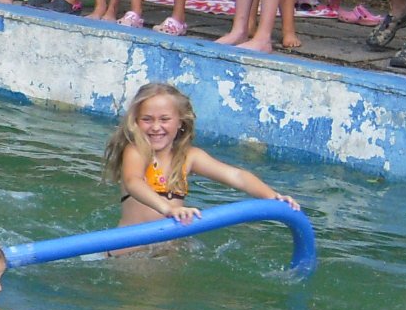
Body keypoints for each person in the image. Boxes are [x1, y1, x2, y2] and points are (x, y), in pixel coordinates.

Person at [101, 82, 298, 228]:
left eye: (165, 119)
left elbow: (237, 176)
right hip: (130, 250)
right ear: (135, 122)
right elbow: (134, 182)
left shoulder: (189, 157)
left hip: (167, 251)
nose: (156, 127)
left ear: (180, 121)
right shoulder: (136, 151)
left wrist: (273, 197)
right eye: (147, 119)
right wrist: (168, 209)